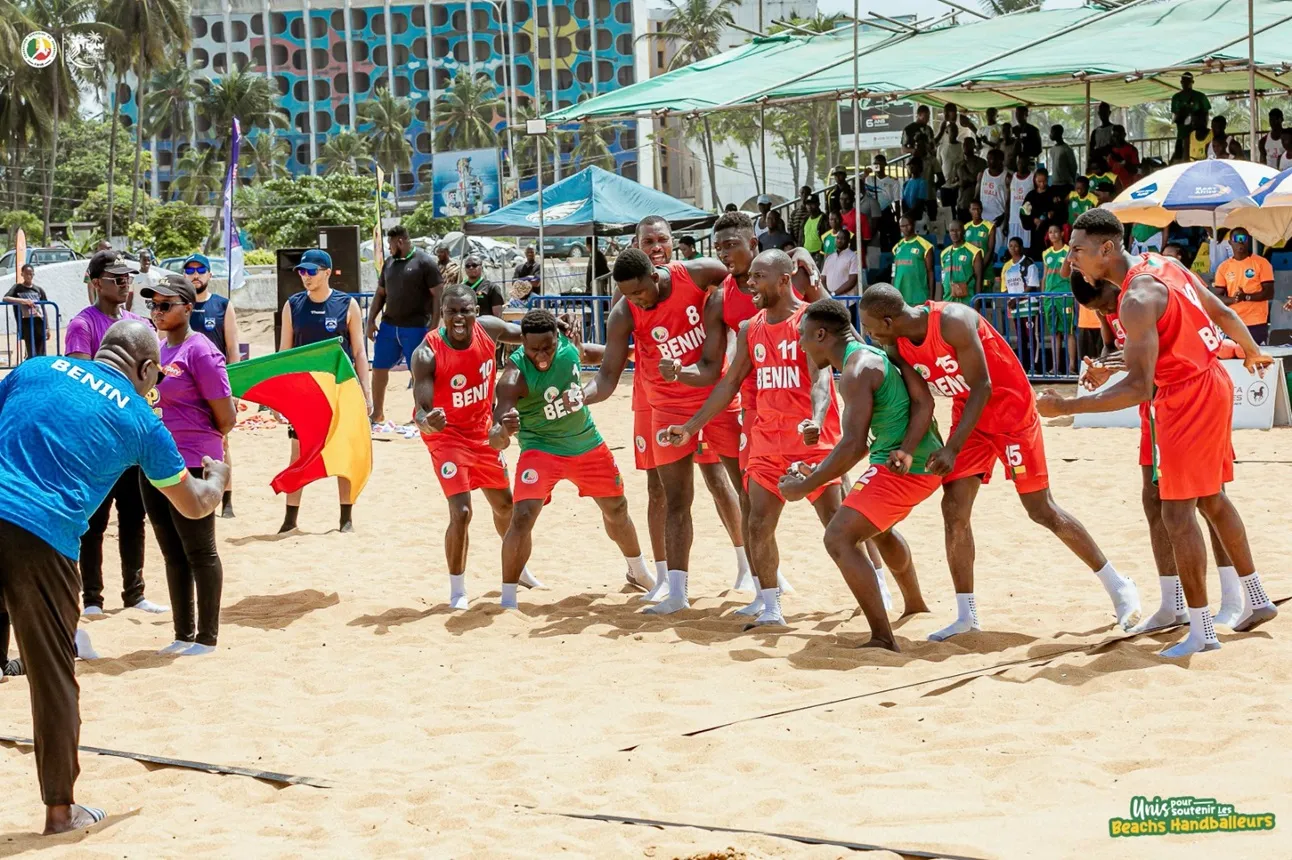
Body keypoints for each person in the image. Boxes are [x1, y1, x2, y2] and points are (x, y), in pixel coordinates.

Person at [0, 319, 228, 834]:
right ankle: (61, 812)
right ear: (146, 369)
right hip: (42, 536)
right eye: (156, 378)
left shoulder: (35, 368)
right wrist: (217, 479)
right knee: (52, 677)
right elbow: (193, 505)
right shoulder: (140, 419)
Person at [1038, 208, 1277, 656]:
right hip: (1208, 383)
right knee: (1210, 500)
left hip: (1184, 396)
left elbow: (1139, 385)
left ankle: (1202, 630)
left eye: (1077, 250)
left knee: (1177, 513)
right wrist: (1250, 349)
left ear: (1107, 249)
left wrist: (1067, 406)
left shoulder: (1135, 298)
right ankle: (1255, 597)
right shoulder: (1163, 264)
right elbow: (1220, 311)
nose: (1070, 259)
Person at [858, 285, 1141, 640]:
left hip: (1011, 413)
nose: (869, 334)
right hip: (970, 419)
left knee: (1041, 510)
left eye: (871, 327)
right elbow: (922, 401)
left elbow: (983, 386)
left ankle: (1119, 585)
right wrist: (908, 448)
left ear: (888, 321)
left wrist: (951, 449)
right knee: (954, 509)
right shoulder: (896, 344)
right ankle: (967, 615)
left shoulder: (952, 320)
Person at [662, 252, 854, 627]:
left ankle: (876, 586)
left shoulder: (810, 321)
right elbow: (729, 383)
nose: (750, 283)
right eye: (750, 276)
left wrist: (816, 419)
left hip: (809, 440)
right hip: (767, 440)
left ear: (784, 279)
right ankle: (770, 607)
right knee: (758, 523)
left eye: (758, 276)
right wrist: (691, 426)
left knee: (837, 524)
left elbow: (820, 379)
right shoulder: (751, 327)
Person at [583, 249, 745, 614]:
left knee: (743, 488)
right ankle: (676, 592)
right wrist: (583, 396)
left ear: (655, 276)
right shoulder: (625, 311)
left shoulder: (696, 273)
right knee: (676, 500)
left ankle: (762, 579)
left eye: (640, 292)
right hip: (667, 405)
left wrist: (729, 329)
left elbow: (735, 280)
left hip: (716, 395)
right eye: (629, 295)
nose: (636, 300)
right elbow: (607, 376)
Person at [675, 211, 828, 598]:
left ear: (754, 244)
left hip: (804, 403)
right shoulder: (722, 298)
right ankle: (765, 586)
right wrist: (679, 375)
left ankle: (876, 576)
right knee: (752, 498)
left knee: (833, 501)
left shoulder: (793, 279)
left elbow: (838, 331)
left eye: (732, 245)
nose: (725, 254)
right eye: (719, 247)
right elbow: (716, 371)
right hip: (756, 407)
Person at [782, 298, 944, 649]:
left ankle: (883, 638)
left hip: (905, 467)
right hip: (915, 460)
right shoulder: (867, 356)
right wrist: (818, 472)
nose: (801, 344)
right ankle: (915, 604)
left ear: (821, 334)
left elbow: (854, 445)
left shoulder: (856, 370)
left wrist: (806, 485)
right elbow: (919, 403)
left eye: (803, 336)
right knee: (877, 529)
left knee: (838, 537)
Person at [489, 308, 651, 608]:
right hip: (540, 448)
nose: (542, 356)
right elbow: (495, 439)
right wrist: (504, 431)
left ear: (557, 339)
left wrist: (624, 352)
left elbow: (586, 355)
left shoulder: (568, 347)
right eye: (534, 349)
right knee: (522, 516)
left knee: (617, 509)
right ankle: (509, 598)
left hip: (586, 442)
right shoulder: (513, 377)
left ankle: (638, 571)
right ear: (522, 342)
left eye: (548, 347)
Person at [621, 216, 748, 597]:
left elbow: (738, 285)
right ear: (636, 244)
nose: (655, 246)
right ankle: (665, 578)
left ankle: (747, 565)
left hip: (704, 386)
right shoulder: (627, 296)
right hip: (654, 395)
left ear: (673, 242)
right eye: (648, 241)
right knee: (658, 488)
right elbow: (621, 353)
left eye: (661, 239)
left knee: (719, 478)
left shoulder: (696, 274)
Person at [412, 284, 551, 608]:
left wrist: (552, 327)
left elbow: (526, 335)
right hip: (446, 436)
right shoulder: (427, 353)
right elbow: (421, 410)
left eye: (465, 311)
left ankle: (519, 569)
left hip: (483, 432)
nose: (459, 317)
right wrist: (427, 420)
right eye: (452, 312)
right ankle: (458, 591)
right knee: (461, 512)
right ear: (442, 314)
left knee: (506, 507)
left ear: (477, 311)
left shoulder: (489, 330)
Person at [66, 251, 166, 616]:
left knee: (134, 517)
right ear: (96, 283)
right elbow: (81, 382)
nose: (125, 283)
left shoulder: (138, 324)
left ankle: (134, 594)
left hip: (132, 436)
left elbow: (153, 378)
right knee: (94, 521)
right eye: (116, 278)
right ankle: (92, 598)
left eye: (127, 277)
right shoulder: (82, 325)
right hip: (98, 440)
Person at [140, 275, 236, 656]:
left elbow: (226, 417)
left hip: (194, 463)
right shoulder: (158, 350)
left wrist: (197, 444)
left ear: (188, 307)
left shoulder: (201, 351)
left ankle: (207, 637)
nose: (157, 311)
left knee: (200, 551)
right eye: (153, 305)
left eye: (165, 305)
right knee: (172, 553)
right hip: (156, 463)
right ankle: (183, 633)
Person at [278, 248, 372, 533]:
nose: (305, 276)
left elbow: (359, 352)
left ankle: (346, 519)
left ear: (327, 272)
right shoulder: (293, 305)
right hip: (304, 392)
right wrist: (280, 397)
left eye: (311, 271)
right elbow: (284, 354)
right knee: (298, 454)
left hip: (339, 390)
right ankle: (289, 521)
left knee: (344, 452)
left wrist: (366, 394)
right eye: (302, 271)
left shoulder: (347, 305)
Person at [366, 225, 443, 426]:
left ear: (400, 242)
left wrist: (434, 326)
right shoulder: (389, 263)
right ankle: (378, 413)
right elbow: (380, 294)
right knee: (379, 368)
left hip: (416, 327)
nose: (388, 248)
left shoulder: (425, 262)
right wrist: (370, 320)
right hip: (389, 327)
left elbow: (438, 296)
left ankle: (420, 413)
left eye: (390, 244)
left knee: (418, 371)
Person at [186, 252, 241, 518]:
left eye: (200, 270)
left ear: (209, 274)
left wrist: (235, 389)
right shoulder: (179, 305)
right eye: (190, 270)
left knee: (223, 444)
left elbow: (233, 348)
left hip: (215, 387)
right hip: (186, 387)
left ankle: (227, 500)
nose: (195, 275)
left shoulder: (222, 305)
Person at [1212, 228, 1274, 345]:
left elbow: (1269, 293)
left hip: (1257, 322)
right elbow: (1217, 297)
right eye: (1237, 239)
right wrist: (1234, 299)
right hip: (1234, 321)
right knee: (1233, 355)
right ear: (1230, 242)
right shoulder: (1223, 267)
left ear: (1248, 241)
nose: (1240, 241)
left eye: (1243, 238)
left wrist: (1246, 297)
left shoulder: (1262, 263)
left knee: (1256, 354)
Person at [1041, 224, 1077, 375]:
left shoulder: (1068, 251)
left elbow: (1073, 274)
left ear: (1062, 233)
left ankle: (1072, 367)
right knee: (1054, 332)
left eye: (1056, 232)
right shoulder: (1046, 253)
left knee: (1068, 331)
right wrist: (1043, 295)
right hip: (1049, 297)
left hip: (1065, 296)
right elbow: (1044, 276)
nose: (1053, 234)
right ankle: (1055, 367)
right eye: (1050, 232)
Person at [4, 264, 50, 359]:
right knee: (31, 349)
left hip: (39, 321)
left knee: (41, 351)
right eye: (27, 274)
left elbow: (44, 308)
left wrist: (47, 327)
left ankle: (40, 366)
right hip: (26, 322)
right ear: (22, 274)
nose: (29, 276)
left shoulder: (39, 290)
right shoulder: (17, 288)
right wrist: (23, 301)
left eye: (31, 274)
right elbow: (5, 298)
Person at [892, 215, 935, 306]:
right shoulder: (897, 247)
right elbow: (894, 272)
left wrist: (931, 297)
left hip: (919, 296)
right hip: (900, 296)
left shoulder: (925, 246)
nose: (905, 228)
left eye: (908, 225)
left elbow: (930, 272)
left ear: (913, 225)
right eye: (902, 226)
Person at [1020, 166, 1062, 257]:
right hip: (1036, 233)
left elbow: (1061, 209)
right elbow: (1023, 212)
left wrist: (1053, 212)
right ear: (1035, 180)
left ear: (1048, 179)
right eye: (1039, 181)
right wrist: (1033, 220)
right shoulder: (1031, 195)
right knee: (1037, 255)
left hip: (1051, 232)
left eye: (1044, 181)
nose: (1042, 184)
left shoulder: (1054, 193)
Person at [941, 220, 984, 306]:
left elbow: (979, 279)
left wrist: (977, 303)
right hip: (948, 301)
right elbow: (943, 278)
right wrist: (941, 302)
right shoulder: (944, 253)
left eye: (957, 230)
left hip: (967, 301)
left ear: (963, 231)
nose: (954, 233)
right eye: (952, 231)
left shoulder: (974, 252)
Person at [1171, 72, 1210, 161]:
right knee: (1180, 159)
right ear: (1181, 82)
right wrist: (1182, 114)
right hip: (1182, 134)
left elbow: (1206, 114)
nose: (1186, 84)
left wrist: (1204, 130)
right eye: (1184, 81)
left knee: (1200, 158)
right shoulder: (1176, 98)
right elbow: (1175, 117)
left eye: (1188, 81)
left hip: (1198, 135)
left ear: (1192, 82)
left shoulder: (1200, 96)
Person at [977, 148, 1009, 238]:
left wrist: (1004, 217)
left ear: (1000, 161)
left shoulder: (1007, 177)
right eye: (988, 159)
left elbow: (1010, 202)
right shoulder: (982, 174)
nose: (988, 161)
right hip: (984, 218)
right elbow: (976, 196)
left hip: (998, 219)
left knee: (998, 245)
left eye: (991, 159)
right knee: (983, 244)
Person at [953, 136, 986, 222]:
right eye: (964, 145)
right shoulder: (958, 164)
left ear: (973, 146)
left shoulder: (982, 163)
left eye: (968, 144)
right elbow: (953, 183)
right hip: (962, 203)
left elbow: (979, 181)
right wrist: (959, 184)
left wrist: (966, 171)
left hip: (976, 204)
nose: (965, 147)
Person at [1007, 156, 1035, 252]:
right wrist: (1006, 219)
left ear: (1028, 164)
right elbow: (1008, 200)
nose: (1021, 165)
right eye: (1019, 163)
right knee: (1013, 248)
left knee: (1026, 248)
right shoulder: (1011, 177)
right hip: (1013, 219)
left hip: (1026, 221)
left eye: (1023, 163)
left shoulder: (1033, 177)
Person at [822, 229, 859, 296]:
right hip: (830, 299)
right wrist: (828, 294)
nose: (839, 240)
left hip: (846, 300)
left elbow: (852, 281)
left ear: (848, 241)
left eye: (842, 238)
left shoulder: (853, 257)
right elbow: (823, 279)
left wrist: (834, 293)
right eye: (837, 238)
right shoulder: (829, 258)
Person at [1048, 125, 1077, 199]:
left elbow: (1073, 166)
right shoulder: (1052, 149)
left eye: (1051, 132)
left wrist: (1073, 181)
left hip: (1065, 184)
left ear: (1057, 133)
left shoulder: (1067, 149)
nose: (1050, 134)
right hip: (1055, 183)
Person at [964, 200, 994, 269]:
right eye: (973, 209)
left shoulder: (990, 226)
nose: (976, 212)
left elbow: (990, 250)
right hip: (969, 267)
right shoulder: (965, 227)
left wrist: (981, 268)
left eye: (978, 209)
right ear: (969, 210)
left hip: (985, 266)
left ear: (982, 209)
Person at [801, 196, 825, 262]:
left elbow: (826, 239)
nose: (809, 206)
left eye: (812, 204)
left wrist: (822, 254)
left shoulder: (824, 219)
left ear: (818, 204)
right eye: (807, 204)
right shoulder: (805, 219)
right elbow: (801, 238)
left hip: (819, 255)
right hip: (806, 254)